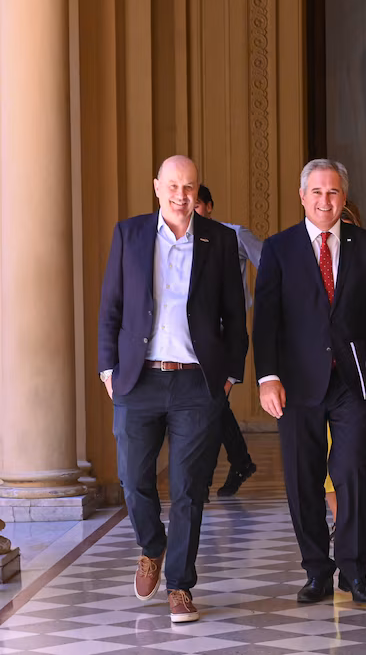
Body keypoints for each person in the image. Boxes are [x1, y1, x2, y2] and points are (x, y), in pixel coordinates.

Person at [97, 155, 248, 623]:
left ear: (197, 191)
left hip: (196, 382)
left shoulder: (219, 239)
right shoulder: (130, 234)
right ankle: (152, 546)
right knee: (132, 478)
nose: (182, 195)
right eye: (174, 186)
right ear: (157, 187)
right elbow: (111, 306)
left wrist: (229, 376)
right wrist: (107, 368)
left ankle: (180, 585)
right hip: (137, 378)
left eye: (190, 187)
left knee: (188, 489)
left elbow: (235, 314)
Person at [253, 159, 366, 605]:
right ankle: (317, 570)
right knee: (303, 476)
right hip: (296, 384)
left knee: (353, 470)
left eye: (333, 192)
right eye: (316, 192)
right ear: (302, 197)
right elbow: (266, 320)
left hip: (353, 380)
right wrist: (267, 378)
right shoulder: (278, 248)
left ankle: (354, 571)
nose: (324, 200)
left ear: (344, 198)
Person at [194, 185, 262, 497]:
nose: (191, 210)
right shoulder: (180, 242)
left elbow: (270, 263)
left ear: (209, 206)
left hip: (225, 333)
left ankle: (204, 481)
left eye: (197, 204)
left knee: (211, 401)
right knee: (210, 402)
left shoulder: (234, 234)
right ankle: (240, 461)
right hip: (193, 335)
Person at [323, 200, 364, 533]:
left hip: (351, 375)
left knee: (349, 456)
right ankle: (338, 517)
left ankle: (347, 522)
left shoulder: (365, 258)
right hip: (313, 375)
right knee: (322, 455)